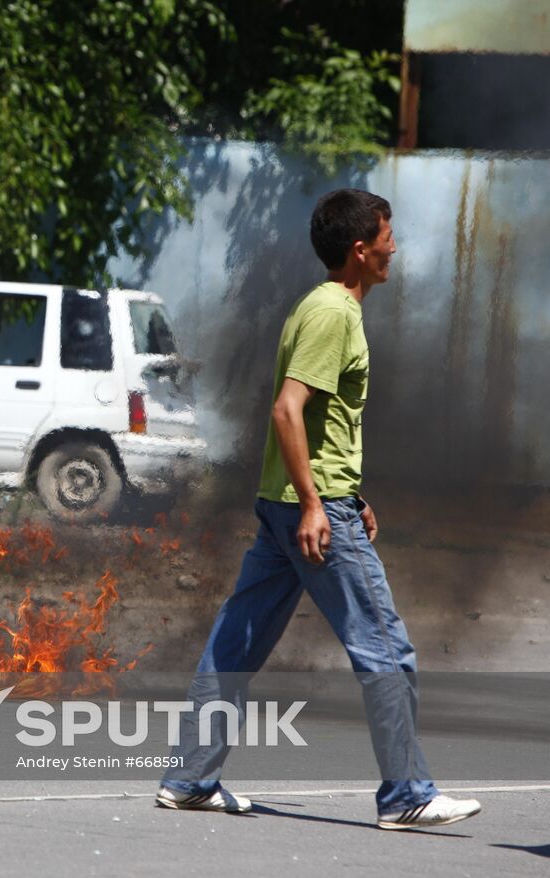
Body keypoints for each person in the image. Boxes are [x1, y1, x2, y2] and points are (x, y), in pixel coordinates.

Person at [156, 189, 481, 831]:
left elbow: (320, 423)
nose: (395, 248)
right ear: (360, 250)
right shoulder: (335, 314)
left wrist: (343, 493)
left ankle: (191, 779)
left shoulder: (317, 305)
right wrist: (318, 502)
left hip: (293, 503)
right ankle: (407, 794)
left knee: (236, 643)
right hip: (311, 511)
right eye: (388, 237)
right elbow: (287, 410)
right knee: (386, 648)